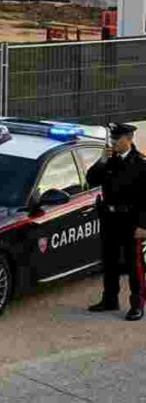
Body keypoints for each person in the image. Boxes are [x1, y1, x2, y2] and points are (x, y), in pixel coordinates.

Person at [86, 123, 146, 321]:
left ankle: (137, 304)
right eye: (112, 138)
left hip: (131, 221)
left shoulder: (140, 164)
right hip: (110, 219)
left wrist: (143, 225)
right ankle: (110, 299)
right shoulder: (109, 161)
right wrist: (101, 162)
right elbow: (91, 180)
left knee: (133, 265)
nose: (113, 142)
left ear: (129, 139)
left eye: (117, 139)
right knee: (109, 261)